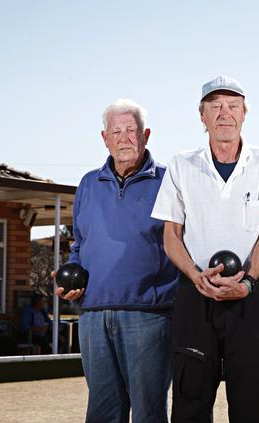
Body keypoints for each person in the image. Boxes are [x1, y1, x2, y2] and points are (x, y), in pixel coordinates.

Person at [151, 75, 259, 422]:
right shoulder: (181, 164)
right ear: (201, 116)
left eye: (232, 106)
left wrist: (247, 281)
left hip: (249, 296)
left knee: (251, 403)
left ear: (244, 113)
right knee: (189, 402)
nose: (224, 113)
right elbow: (171, 235)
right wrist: (194, 275)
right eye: (215, 106)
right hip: (194, 295)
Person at [56, 99, 179, 423]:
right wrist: (70, 279)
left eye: (131, 130)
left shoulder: (170, 181)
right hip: (93, 315)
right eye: (116, 131)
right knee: (102, 412)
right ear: (104, 138)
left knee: (148, 412)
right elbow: (79, 245)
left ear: (146, 135)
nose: (124, 138)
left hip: (149, 317)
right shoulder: (87, 184)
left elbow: (184, 245)